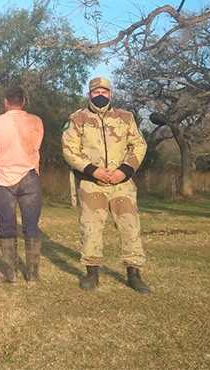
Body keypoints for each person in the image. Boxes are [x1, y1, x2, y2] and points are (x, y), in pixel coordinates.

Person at [62, 77, 151, 294]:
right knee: (90, 228)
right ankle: (91, 273)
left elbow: (139, 145)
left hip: (122, 183)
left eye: (104, 92)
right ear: (89, 94)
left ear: (110, 94)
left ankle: (134, 274)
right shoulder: (77, 119)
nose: (100, 95)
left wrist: (125, 170)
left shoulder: (125, 117)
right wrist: (92, 170)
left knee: (130, 227)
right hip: (92, 183)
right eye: (96, 92)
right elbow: (68, 149)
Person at [0, 86, 45, 283]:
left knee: (7, 226)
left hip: (4, 179)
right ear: (24, 101)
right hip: (30, 177)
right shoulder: (36, 121)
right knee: (31, 225)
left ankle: (11, 274)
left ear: (5, 102)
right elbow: (36, 145)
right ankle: (33, 274)